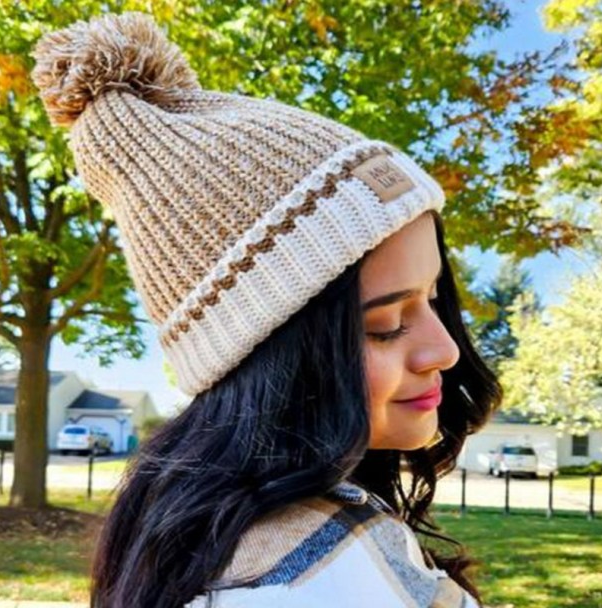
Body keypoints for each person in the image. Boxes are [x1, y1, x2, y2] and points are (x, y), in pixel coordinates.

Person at [31, 12, 502, 608]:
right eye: (384, 324)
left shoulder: (209, 536)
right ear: (266, 357)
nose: (446, 348)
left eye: (432, 299)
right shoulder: (322, 580)